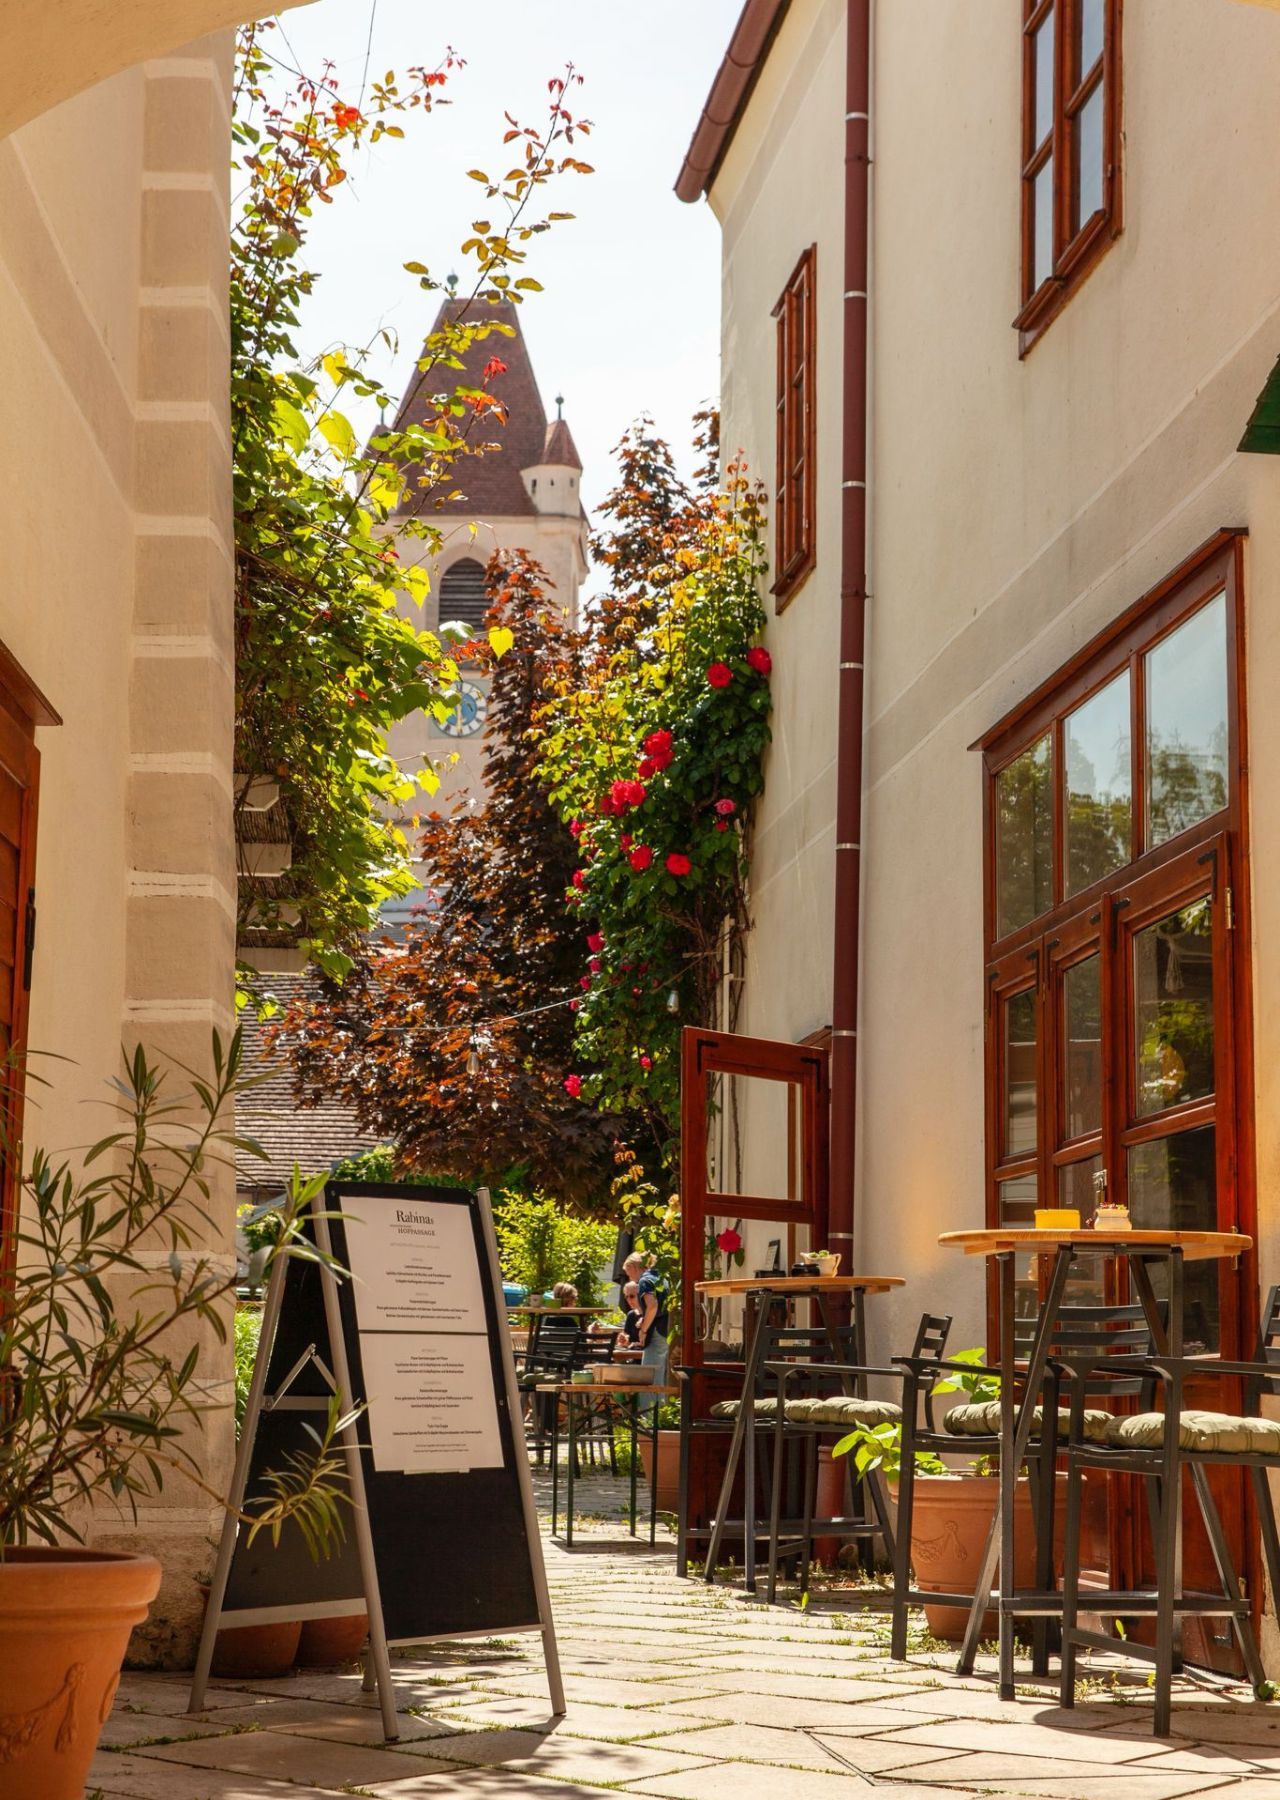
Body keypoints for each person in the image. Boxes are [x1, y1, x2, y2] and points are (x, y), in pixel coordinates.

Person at [622, 1251, 669, 1405]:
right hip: (666, 1330)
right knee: (660, 1378)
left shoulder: (644, 1281)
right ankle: (660, 1417)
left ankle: (649, 1423)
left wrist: (643, 1330)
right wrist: (643, 1320)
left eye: (629, 1273)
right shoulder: (661, 1278)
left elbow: (652, 1306)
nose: (630, 1278)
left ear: (634, 1267)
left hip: (656, 1333)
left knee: (649, 1380)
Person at [616, 1280, 642, 1350]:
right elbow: (627, 1338)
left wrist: (639, 1344)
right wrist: (623, 1339)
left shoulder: (650, 1314)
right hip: (633, 1355)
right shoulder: (631, 1315)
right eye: (626, 1297)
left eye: (632, 1296)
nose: (628, 1300)